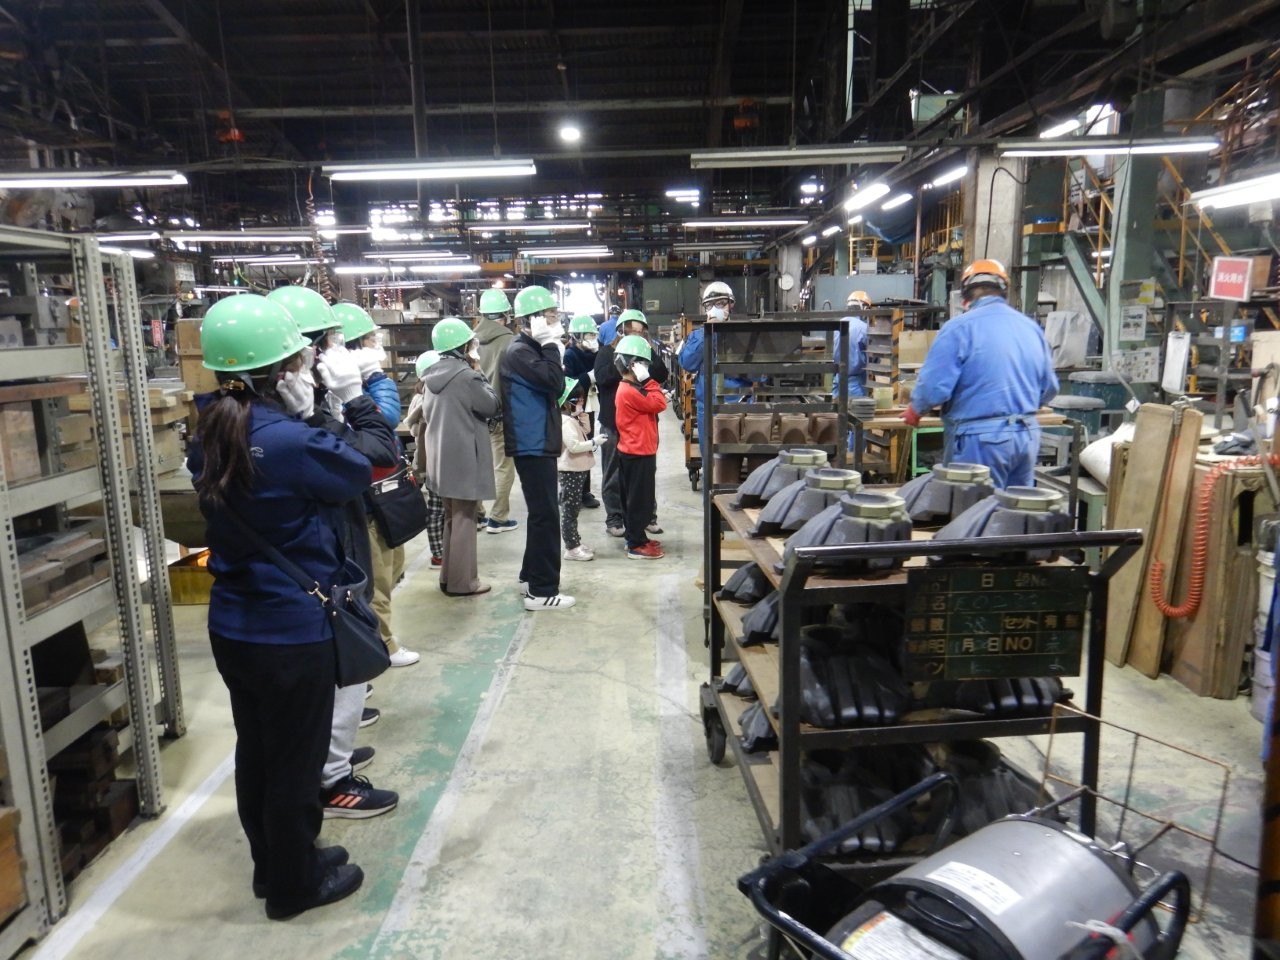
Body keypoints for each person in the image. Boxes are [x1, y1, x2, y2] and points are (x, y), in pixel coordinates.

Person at [187, 293, 366, 919]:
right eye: (300, 357)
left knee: (259, 750)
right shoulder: (290, 439)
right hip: (292, 629)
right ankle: (295, 887)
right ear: (283, 371)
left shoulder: (209, 430)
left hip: (235, 623)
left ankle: (275, 866)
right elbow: (358, 473)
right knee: (295, 760)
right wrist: (326, 411)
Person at [275, 302, 401, 821]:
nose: (339, 350)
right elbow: (378, 453)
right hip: (323, 562)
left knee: (331, 671)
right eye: (329, 342)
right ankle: (331, 779)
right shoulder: (297, 422)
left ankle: (330, 760)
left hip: (310, 563)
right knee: (343, 658)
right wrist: (352, 396)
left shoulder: (264, 414)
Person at [901, 259, 1057, 489]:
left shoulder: (959, 328)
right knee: (1019, 507)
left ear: (966, 294)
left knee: (973, 509)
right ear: (1004, 290)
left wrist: (916, 410)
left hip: (980, 441)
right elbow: (1049, 387)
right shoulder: (1031, 328)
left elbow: (934, 388)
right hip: (1026, 436)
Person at [333, 301, 419, 668]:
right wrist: (376, 379)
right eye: (369, 340)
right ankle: (382, 646)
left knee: (391, 567)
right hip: (365, 499)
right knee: (376, 579)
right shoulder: (343, 392)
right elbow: (386, 419)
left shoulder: (353, 387)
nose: (376, 346)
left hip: (382, 493)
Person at [503, 285, 575, 611]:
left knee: (540, 513)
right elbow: (554, 381)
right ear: (532, 320)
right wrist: (550, 345)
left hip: (535, 440)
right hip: (531, 443)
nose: (555, 321)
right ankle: (542, 591)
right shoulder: (520, 352)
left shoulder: (526, 350)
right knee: (546, 515)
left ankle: (530, 575)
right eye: (549, 316)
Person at [421, 318, 500, 597]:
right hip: (464, 457)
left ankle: (449, 577)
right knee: (466, 519)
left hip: (440, 460)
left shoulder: (430, 376)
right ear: (462, 347)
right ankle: (463, 583)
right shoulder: (468, 376)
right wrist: (480, 371)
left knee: (452, 519)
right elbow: (491, 405)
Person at [595, 309, 668, 538]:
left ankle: (647, 516)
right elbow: (602, 377)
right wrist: (624, 362)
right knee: (613, 473)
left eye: (640, 332)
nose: (636, 335)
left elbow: (661, 373)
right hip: (613, 423)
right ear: (621, 331)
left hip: (642, 424)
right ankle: (615, 516)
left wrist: (643, 357)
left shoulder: (646, 351)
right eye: (631, 331)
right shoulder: (607, 353)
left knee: (644, 475)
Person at [678, 282, 754, 464]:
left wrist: (736, 370)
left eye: (720, 303)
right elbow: (687, 363)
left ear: (731, 304)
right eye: (709, 305)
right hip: (707, 408)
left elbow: (759, 374)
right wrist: (708, 333)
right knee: (710, 459)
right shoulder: (698, 336)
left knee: (735, 458)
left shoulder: (743, 334)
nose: (714, 309)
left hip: (737, 406)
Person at [613, 335, 668, 559]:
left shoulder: (629, 388)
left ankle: (636, 537)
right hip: (638, 453)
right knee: (639, 502)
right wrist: (649, 381)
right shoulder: (630, 391)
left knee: (636, 499)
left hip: (635, 451)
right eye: (643, 364)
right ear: (633, 365)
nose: (647, 369)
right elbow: (659, 403)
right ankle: (636, 545)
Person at [473, 288, 519, 535]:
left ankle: (477, 514)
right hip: (499, 413)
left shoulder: (470, 339)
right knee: (503, 466)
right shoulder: (510, 341)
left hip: (473, 412)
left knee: (478, 464)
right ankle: (498, 518)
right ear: (505, 315)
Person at [403, 351, 447, 569]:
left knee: (438, 509)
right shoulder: (431, 397)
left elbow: (411, 429)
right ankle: (439, 554)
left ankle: (439, 553)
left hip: (430, 461)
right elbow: (413, 427)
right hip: (437, 462)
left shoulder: (421, 397)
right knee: (440, 510)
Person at [558, 377, 606, 561]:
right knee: (569, 511)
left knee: (574, 509)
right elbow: (574, 446)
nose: (581, 403)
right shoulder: (565, 422)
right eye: (577, 400)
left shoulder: (572, 419)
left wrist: (582, 414)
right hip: (570, 470)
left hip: (577, 470)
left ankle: (575, 542)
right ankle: (571, 548)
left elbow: (585, 430)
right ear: (567, 402)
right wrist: (594, 442)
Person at [562, 314, 601, 510]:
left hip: (589, 406)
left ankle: (585, 491)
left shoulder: (595, 353)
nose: (593, 339)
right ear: (577, 336)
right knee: (572, 448)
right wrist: (588, 377)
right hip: (573, 407)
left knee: (587, 446)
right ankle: (569, 491)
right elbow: (568, 384)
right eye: (589, 335)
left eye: (594, 335)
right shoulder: (570, 355)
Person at [833, 290, 871, 399]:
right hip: (855, 385)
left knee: (835, 408)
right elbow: (873, 356)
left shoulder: (837, 325)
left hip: (837, 381)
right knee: (855, 409)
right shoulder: (864, 328)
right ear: (864, 308)